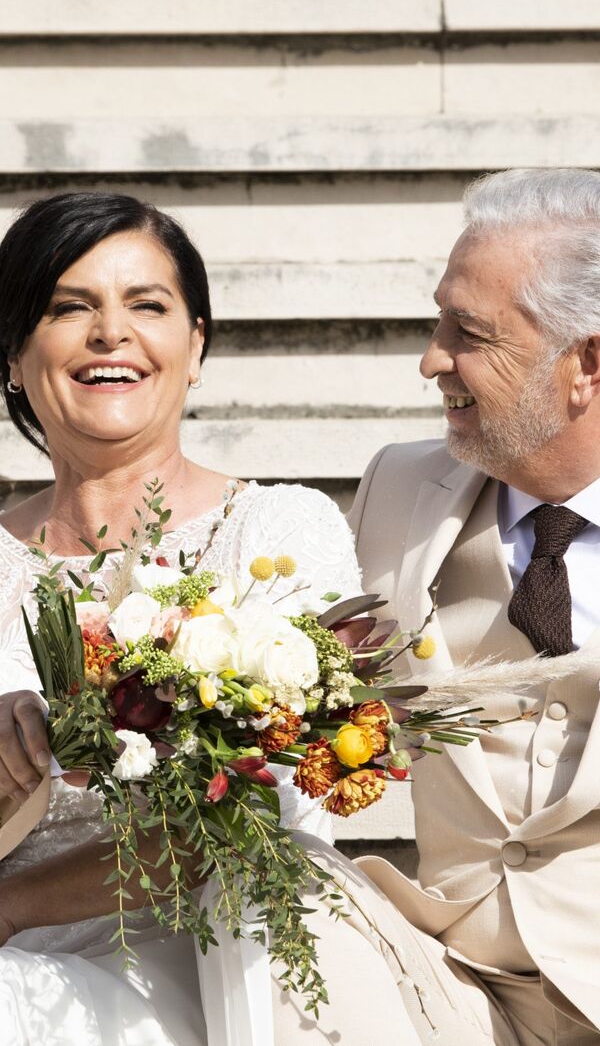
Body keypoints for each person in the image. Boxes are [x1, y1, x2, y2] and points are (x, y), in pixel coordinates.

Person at [0, 191, 364, 1045]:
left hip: (223, 961)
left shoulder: (276, 532)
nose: (110, 334)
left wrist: (8, 906)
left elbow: (262, 810)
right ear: (14, 354)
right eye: (68, 307)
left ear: (195, 346)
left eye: (147, 305)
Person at [348, 167, 600, 1044]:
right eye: (437, 320)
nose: (430, 358)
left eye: (470, 333)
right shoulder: (394, 488)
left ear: (588, 364)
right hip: (448, 982)